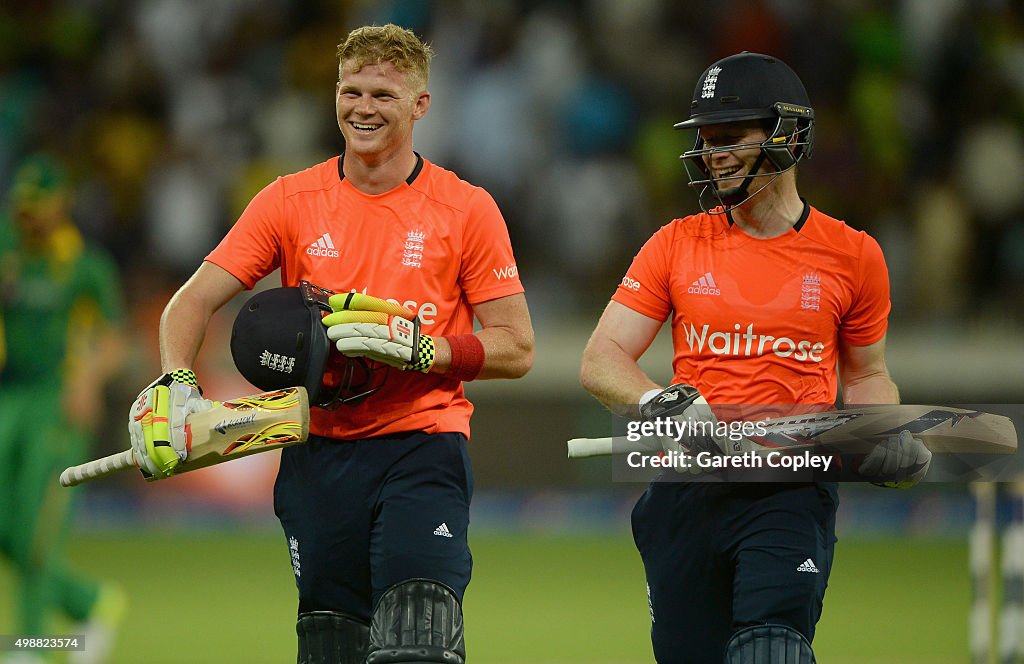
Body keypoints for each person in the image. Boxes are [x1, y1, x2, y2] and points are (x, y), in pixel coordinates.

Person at [127, 24, 533, 664]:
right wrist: (176, 380)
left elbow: (516, 346)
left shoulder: (467, 209)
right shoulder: (290, 200)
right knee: (330, 647)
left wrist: (428, 352)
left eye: (382, 94)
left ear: (421, 105)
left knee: (418, 640)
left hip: (421, 445)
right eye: (351, 91)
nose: (362, 108)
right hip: (316, 453)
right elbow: (191, 302)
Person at [579, 52, 930, 663]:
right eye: (707, 139)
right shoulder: (674, 244)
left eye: (732, 137)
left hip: (789, 491)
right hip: (687, 490)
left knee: (771, 648)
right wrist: (662, 404)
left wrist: (884, 434)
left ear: (786, 135)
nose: (714, 153)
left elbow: (869, 374)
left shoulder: (855, 256)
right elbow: (602, 360)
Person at [0, 153, 126, 664]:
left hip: (55, 404)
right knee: (12, 531)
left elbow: (114, 339)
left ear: (60, 206)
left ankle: (28, 649)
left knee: (36, 537)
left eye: (37, 206)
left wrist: (87, 381)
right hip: (9, 398)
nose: (27, 217)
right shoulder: (9, 256)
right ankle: (91, 604)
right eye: (22, 206)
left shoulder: (84, 265)